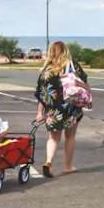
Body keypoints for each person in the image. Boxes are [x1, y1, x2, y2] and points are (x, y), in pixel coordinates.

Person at [34, 41, 89, 178]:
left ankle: (48, 162)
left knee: (53, 138)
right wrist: (81, 86)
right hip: (71, 107)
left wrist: (39, 112)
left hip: (53, 110)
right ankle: (68, 166)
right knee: (70, 137)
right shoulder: (73, 66)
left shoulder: (46, 71)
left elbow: (42, 95)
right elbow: (86, 85)